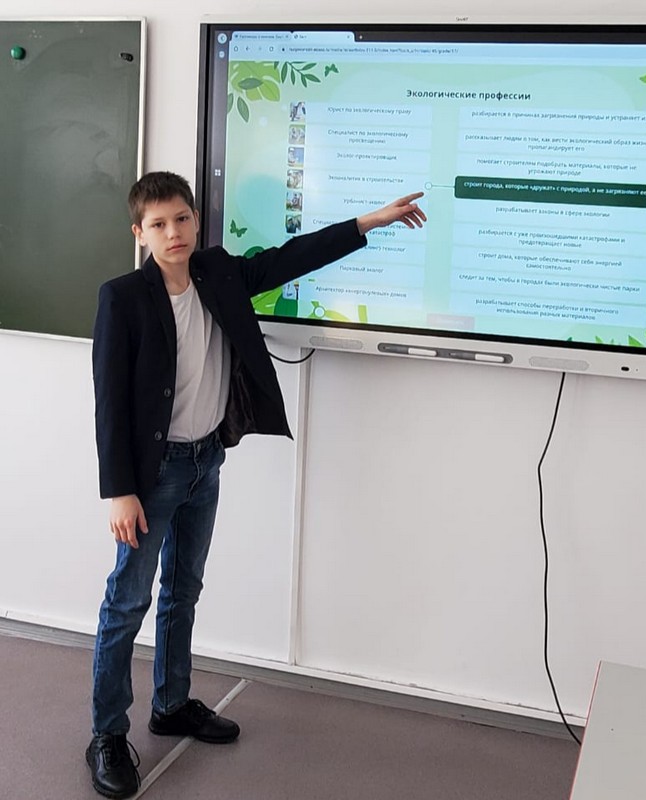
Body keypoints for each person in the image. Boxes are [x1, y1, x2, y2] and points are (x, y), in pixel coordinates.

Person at [86, 171, 426, 799]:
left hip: (206, 462)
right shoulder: (123, 297)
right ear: (139, 233)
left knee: (184, 590)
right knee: (126, 603)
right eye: (158, 224)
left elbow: (290, 258)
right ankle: (107, 734)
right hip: (152, 476)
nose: (173, 232)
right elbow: (109, 399)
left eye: (182, 218)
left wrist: (368, 223)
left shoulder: (218, 273)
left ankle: (171, 704)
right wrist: (119, 490)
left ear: (196, 220)